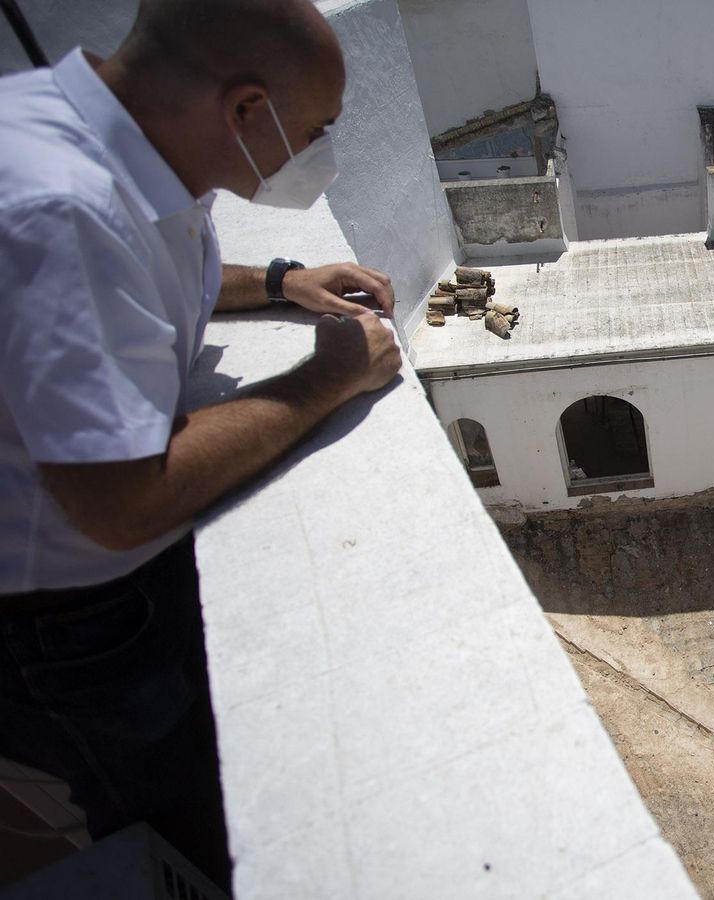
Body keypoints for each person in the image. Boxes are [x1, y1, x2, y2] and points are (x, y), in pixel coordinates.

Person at [0, 0, 402, 886]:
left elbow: (134, 278)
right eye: (315, 128)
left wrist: (281, 279)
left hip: (90, 606)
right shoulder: (57, 209)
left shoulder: (80, 130)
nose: (320, 149)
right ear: (248, 112)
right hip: (73, 630)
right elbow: (124, 500)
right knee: (183, 836)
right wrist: (326, 379)